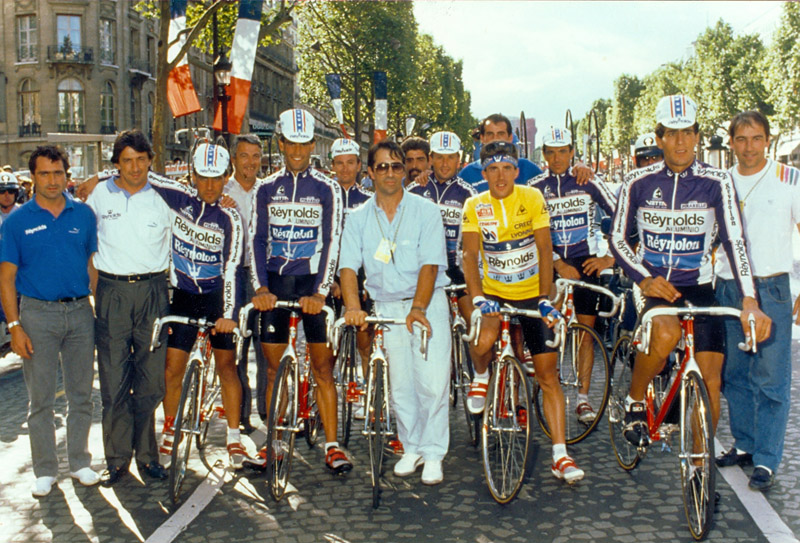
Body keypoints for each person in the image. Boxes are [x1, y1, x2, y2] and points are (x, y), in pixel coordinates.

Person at [609, 95, 771, 450]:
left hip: (697, 287)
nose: (680, 142)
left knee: (711, 377)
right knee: (665, 332)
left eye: (687, 133)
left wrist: (749, 299)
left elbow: (735, 241)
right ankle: (636, 401)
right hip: (651, 284)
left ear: (697, 136)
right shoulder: (637, 181)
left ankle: (700, 464)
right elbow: (617, 241)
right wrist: (644, 278)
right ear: (659, 137)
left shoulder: (717, 182)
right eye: (671, 133)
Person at [462, 140, 584, 484]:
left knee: (547, 375)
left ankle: (560, 454)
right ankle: (482, 376)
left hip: (532, 295)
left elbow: (545, 248)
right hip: (495, 294)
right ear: (483, 173)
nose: (500, 176)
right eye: (492, 169)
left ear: (517, 171)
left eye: (507, 169)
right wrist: (477, 297)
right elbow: (470, 256)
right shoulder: (474, 204)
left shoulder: (532, 198)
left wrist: (546, 297)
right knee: (483, 338)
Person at [340, 140, 451, 485]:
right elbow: (347, 267)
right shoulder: (356, 218)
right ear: (370, 172)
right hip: (387, 308)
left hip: (426, 304)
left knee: (432, 383)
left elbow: (431, 264)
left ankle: (433, 453)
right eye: (382, 166)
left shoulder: (426, 210)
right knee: (400, 384)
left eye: (397, 166)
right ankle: (412, 446)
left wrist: (418, 308)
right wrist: (354, 308)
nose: (390, 172)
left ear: (405, 170)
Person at [247, 108, 351, 474]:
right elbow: (257, 240)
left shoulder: (327, 188)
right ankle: (274, 441)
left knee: (323, 369)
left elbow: (333, 239)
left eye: (304, 143)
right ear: (281, 143)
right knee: (274, 370)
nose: (297, 150)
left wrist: (322, 292)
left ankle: (333, 445)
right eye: (291, 142)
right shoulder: (264, 188)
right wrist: (260, 286)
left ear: (311, 145)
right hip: (275, 286)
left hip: (312, 286)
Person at [0, 145, 101, 496]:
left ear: (66, 175)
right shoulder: (16, 222)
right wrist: (14, 326)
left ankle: (80, 463)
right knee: (40, 399)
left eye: (58, 173)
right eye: (44, 174)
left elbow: (92, 264)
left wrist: (97, 305)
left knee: (81, 395)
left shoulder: (84, 215)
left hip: (79, 313)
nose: (52, 180)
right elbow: (6, 278)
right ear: (33, 178)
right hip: (37, 315)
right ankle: (45, 470)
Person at [714, 110, 800, 491]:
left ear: (768, 140)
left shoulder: (789, 179)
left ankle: (766, 458)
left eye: (756, 138)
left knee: (770, 378)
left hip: (771, 289)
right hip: (728, 288)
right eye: (741, 139)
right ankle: (745, 444)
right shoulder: (719, 182)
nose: (749, 147)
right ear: (731, 142)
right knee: (734, 375)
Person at [148, 144, 246, 469]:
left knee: (227, 367)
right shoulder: (179, 197)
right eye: (203, 178)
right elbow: (138, 172)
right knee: (171, 369)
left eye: (217, 179)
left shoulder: (230, 215)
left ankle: (233, 437)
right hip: (184, 296)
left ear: (226, 178)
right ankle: (171, 426)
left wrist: (229, 316)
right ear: (192, 176)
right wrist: (99, 178)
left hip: (217, 298)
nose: (209, 186)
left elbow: (231, 269)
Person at [86, 130, 172, 486]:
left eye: (141, 159)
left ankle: (147, 455)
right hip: (113, 293)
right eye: (126, 161)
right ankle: (118, 459)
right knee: (114, 382)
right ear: (115, 165)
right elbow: (87, 244)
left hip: (153, 292)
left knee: (152, 383)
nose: (135, 168)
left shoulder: (166, 196)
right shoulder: (97, 194)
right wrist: (98, 291)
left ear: (150, 160)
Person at [529, 127, 618, 423]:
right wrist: (555, 262)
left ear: (571, 152)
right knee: (547, 328)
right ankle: (547, 384)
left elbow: (621, 214)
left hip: (585, 260)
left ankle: (582, 398)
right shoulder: (535, 187)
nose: (557, 158)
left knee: (586, 333)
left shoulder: (587, 180)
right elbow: (526, 231)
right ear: (543, 154)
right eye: (551, 152)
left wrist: (609, 257)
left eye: (563, 151)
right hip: (548, 262)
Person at [406, 131, 477, 322]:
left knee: (474, 320)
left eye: (451, 157)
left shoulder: (469, 193)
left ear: (458, 160)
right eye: (439, 157)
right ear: (431, 160)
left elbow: (474, 243)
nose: (445, 164)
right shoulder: (413, 190)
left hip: (455, 269)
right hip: (419, 270)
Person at [226, 134, 268, 432]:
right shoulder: (220, 190)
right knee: (237, 347)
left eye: (256, 156)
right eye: (244, 156)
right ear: (233, 159)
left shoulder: (269, 190)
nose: (251, 162)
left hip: (264, 278)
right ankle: (241, 415)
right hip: (235, 277)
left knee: (268, 346)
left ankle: (269, 411)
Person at [329, 137, 373, 382]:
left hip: (361, 277)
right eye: (339, 163)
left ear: (359, 165)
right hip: (331, 275)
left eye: (350, 163)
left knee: (365, 341)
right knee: (328, 347)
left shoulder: (369, 200)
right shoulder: (324, 196)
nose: (345, 168)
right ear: (333, 165)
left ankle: (367, 397)